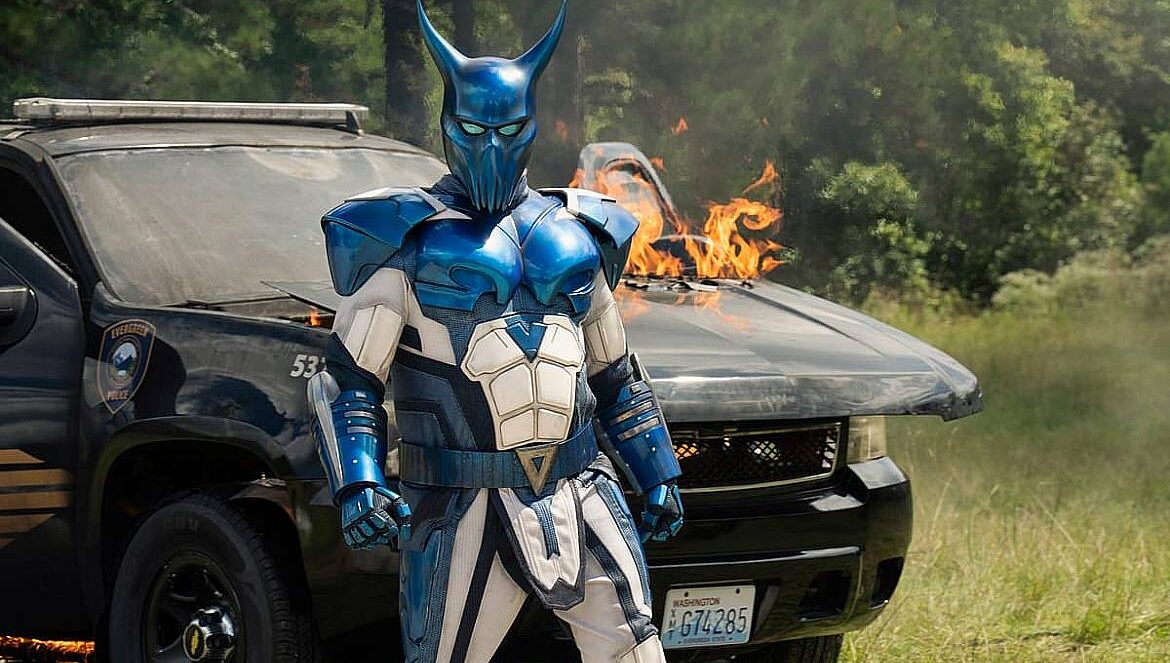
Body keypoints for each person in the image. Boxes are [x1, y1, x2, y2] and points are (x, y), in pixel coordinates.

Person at [306, 2, 683, 661]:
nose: (489, 147)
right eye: (473, 129)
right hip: (461, 498)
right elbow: (346, 378)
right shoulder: (406, 240)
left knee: (634, 650)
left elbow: (616, 375)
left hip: (578, 484)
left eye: (507, 130)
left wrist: (655, 468)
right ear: (448, 123)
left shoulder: (578, 234)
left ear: (530, 124)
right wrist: (359, 480)